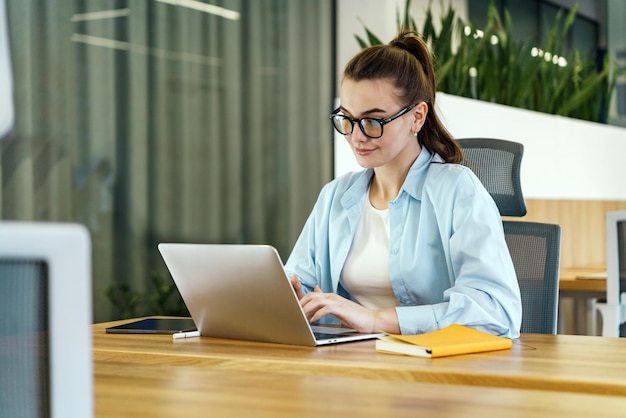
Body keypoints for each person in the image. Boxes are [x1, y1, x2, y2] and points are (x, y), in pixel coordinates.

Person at [285, 30, 522, 338]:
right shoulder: (335, 197)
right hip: (350, 365)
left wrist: (374, 320)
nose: (356, 136)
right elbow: (300, 279)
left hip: (434, 370)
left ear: (417, 117)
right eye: (347, 119)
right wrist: (290, 296)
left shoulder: (457, 191)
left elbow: (495, 310)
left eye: (373, 121)